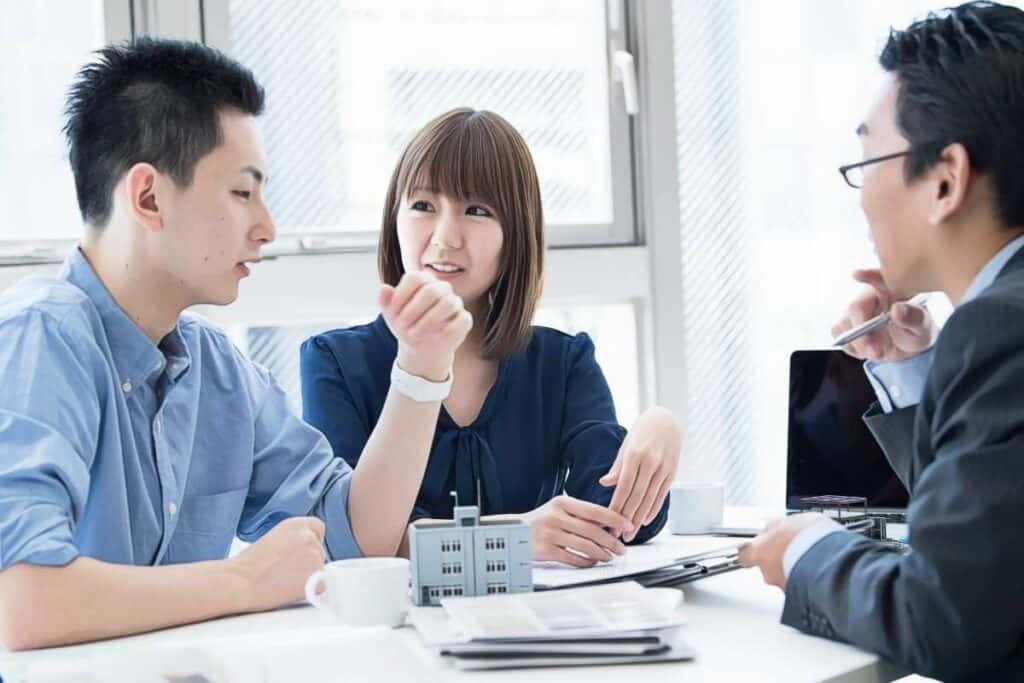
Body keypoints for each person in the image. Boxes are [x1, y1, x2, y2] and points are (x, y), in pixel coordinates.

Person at [0, 38, 470, 651]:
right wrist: (244, 578)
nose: (267, 227)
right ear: (148, 197)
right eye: (242, 193)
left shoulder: (215, 368)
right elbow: (25, 601)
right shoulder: (39, 340)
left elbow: (356, 538)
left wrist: (421, 366)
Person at [739, 2, 1024, 679]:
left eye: (868, 158)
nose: (860, 194)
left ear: (946, 179)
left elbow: (944, 618)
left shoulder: (999, 329)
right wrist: (922, 371)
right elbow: (986, 550)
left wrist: (812, 548)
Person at [301, 108, 681, 567]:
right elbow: (346, 539)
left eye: (477, 210)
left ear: (515, 232)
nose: (444, 238)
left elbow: (612, 524)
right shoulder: (336, 362)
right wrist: (510, 537)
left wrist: (658, 430)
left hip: (531, 625)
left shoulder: (562, 362)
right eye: (423, 206)